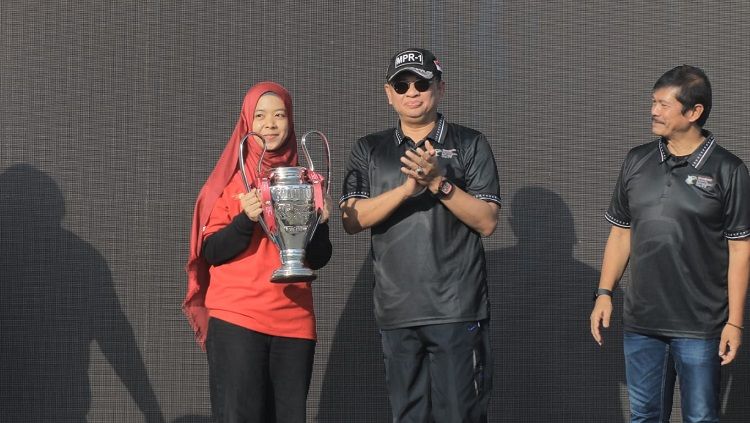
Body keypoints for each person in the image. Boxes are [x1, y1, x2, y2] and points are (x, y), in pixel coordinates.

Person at [340, 48, 501, 423]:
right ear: (389, 93)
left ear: (439, 89)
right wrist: (405, 190)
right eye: (402, 84)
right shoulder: (369, 149)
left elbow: (487, 221)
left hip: (455, 310)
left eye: (421, 82)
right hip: (397, 312)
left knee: (459, 415)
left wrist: (438, 184)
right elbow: (351, 219)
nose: (412, 91)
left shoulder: (470, 143)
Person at [590, 65, 750, 422]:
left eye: (664, 104)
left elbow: (741, 250)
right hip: (642, 324)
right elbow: (621, 232)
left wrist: (734, 323)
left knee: (700, 418)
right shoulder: (637, 160)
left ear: (694, 112)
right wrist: (604, 292)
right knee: (644, 416)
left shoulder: (729, 170)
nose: (654, 111)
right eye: (653, 102)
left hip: (700, 327)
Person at [184, 81, 332, 423]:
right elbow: (212, 252)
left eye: (279, 115)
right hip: (238, 318)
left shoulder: (308, 180)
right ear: (247, 124)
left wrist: (319, 224)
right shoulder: (230, 184)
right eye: (260, 116)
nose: (270, 123)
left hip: (294, 322)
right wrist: (244, 219)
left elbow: (319, 258)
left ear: (291, 121)